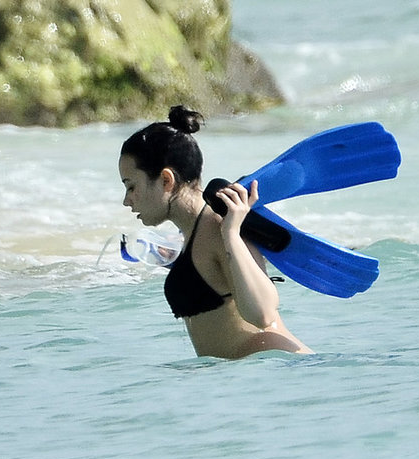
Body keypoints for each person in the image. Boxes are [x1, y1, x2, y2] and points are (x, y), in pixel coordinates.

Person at [118, 105, 311, 360]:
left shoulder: (221, 225)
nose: (126, 200)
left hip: (276, 369)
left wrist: (231, 234)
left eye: (131, 187)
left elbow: (263, 314)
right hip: (247, 380)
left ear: (166, 180)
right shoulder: (192, 233)